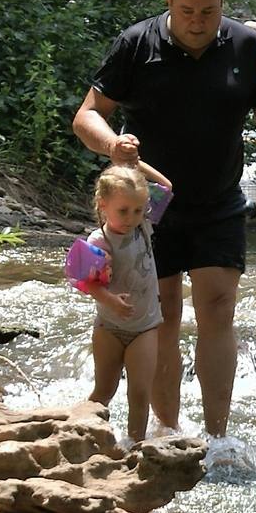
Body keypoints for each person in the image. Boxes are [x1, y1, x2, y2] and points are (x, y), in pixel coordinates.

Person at [72, 0, 256, 453]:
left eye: (209, 11)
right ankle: (168, 431)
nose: (198, 20)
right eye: (187, 10)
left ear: (223, 7)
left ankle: (217, 436)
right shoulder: (137, 44)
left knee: (218, 309)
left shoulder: (245, 45)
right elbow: (87, 116)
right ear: (170, 3)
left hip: (219, 200)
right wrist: (113, 146)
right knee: (164, 315)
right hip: (149, 205)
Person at [80, 162, 173, 443]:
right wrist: (110, 299)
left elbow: (166, 188)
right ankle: (84, 435)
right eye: (123, 211)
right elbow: (86, 282)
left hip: (145, 327)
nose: (131, 217)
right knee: (104, 390)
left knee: (140, 392)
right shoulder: (99, 240)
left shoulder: (144, 226)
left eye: (137, 210)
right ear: (102, 205)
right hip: (108, 326)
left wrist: (137, 164)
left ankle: (136, 445)